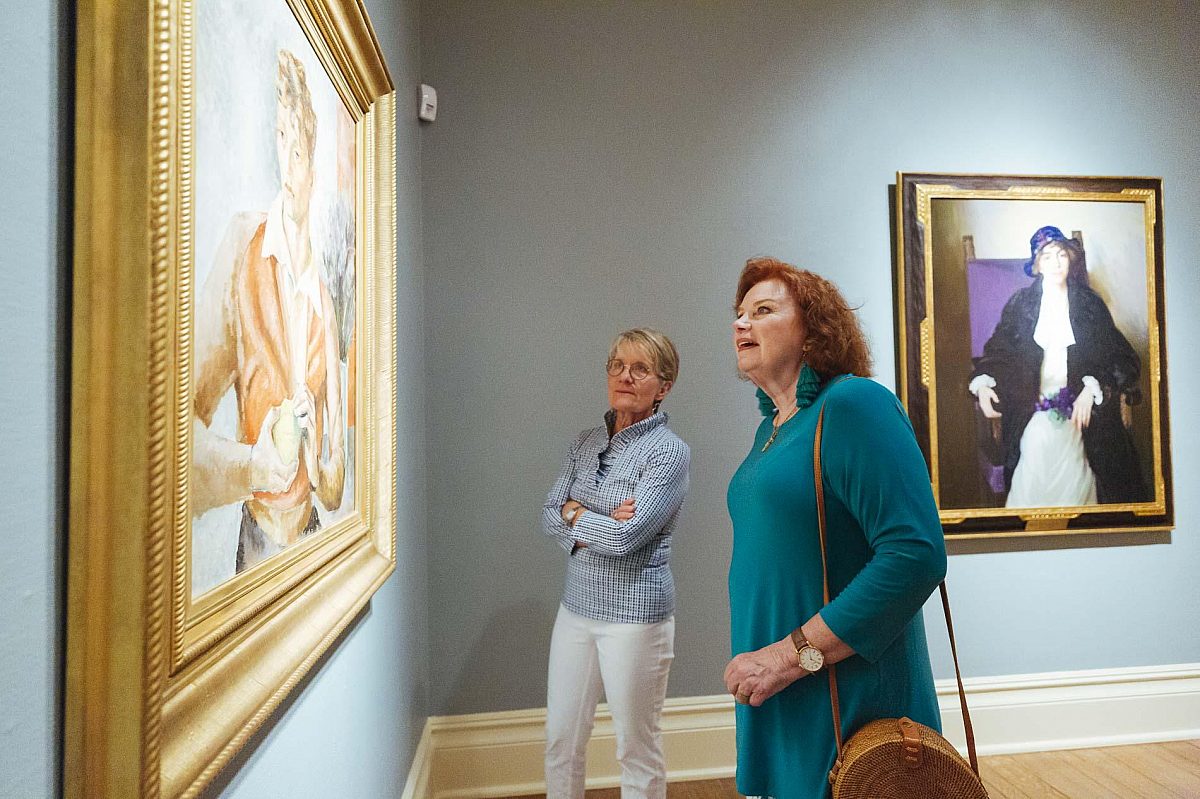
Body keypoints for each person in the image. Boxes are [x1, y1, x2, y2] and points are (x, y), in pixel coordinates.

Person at [723, 257, 946, 799]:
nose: (740, 324)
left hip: (844, 692)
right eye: (739, 313)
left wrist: (789, 656)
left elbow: (915, 554)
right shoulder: (770, 429)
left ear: (812, 330)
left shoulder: (852, 404)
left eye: (764, 310)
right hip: (781, 689)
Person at [192, 49, 346, 572]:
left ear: (314, 159)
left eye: (299, 147)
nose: (289, 162)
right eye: (281, 139)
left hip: (312, 535)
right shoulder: (244, 246)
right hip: (257, 541)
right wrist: (253, 467)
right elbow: (175, 427)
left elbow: (333, 486)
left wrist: (321, 448)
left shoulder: (323, 297)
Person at [541, 328, 691, 799]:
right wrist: (589, 516)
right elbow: (548, 513)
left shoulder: (669, 452)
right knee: (561, 741)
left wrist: (576, 510)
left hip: (636, 621)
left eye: (640, 368)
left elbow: (627, 538)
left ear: (663, 387)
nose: (625, 376)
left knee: (636, 750)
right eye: (617, 366)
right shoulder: (585, 441)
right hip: (575, 610)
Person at [969, 225, 1146, 507]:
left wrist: (1093, 388)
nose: (1055, 263)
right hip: (1032, 409)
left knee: (1085, 462)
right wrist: (983, 383)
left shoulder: (1089, 304)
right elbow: (999, 351)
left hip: (1085, 413)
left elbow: (1121, 358)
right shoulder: (1021, 305)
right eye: (1047, 257)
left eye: (1061, 255)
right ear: (1037, 265)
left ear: (1071, 259)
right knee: (1037, 449)